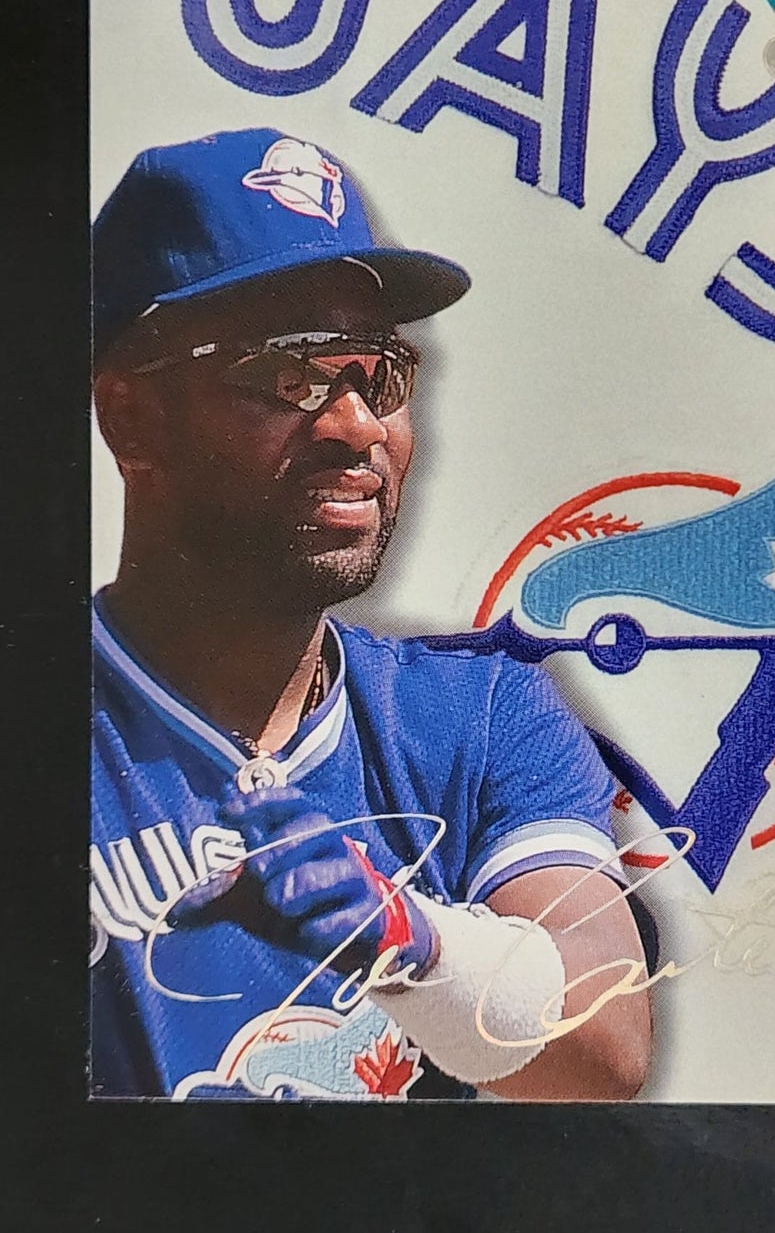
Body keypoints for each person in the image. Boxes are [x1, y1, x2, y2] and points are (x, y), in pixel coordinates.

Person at [89, 128, 652, 1101]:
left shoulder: (478, 714)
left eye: (377, 372)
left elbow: (602, 1047)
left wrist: (411, 936)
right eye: (291, 370)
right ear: (133, 419)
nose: (355, 424)